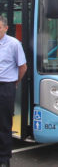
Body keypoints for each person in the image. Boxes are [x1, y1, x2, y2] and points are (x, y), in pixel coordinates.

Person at [0, 16, 27, 167]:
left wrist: (14, 83)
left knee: (4, 124)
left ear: (5, 28)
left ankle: (4, 159)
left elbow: (23, 67)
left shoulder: (14, 44)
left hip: (5, 87)